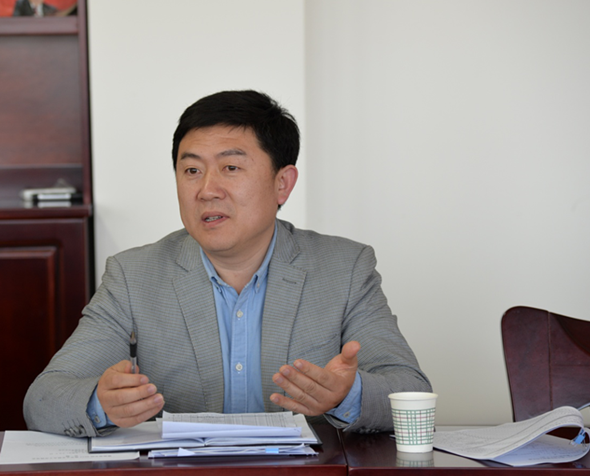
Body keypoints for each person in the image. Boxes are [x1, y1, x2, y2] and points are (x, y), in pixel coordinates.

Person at [24, 90, 431, 437]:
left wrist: (346, 394)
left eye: (231, 168)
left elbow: (410, 391)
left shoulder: (344, 268)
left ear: (282, 183)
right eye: (191, 170)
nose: (207, 190)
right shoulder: (134, 276)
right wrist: (100, 402)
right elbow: (43, 400)